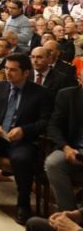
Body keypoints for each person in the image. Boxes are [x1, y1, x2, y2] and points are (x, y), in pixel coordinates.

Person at [0, 53, 53, 225]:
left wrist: (24, 130)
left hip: (23, 139)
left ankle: (23, 204)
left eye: (13, 70)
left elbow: (45, 121)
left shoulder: (41, 93)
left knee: (21, 159)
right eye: (6, 68)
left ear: (26, 72)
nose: (8, 73)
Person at [44, 80, 83, 213]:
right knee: (53, 163)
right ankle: (69, 213)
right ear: (80, 80)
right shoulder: (67, 95)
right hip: (72, 145)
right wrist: (66, 147)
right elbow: (53, 126)